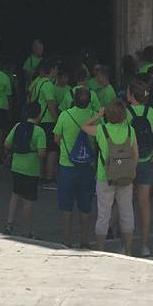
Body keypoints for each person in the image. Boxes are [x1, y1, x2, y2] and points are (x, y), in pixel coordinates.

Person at [82, 99, 138, 255]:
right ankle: (128, 250)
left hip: (104, 176)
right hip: (126, 177)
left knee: (103, 214)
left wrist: (98, 115)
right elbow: (136, 155)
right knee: (127, 212)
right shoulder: (130, 130)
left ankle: (100, 249)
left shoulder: (101, 129)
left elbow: (84, 127)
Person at [127, 76, 153, 256]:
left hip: (128, 161)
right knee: (144, 203)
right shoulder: (150, 111)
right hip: (146, 159)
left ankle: (125, 243)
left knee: (125, 202)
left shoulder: (126, 112)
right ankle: (145, 244)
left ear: (130, 94)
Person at [53, 86, 99, 248]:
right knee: (85, 205)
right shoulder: (94, 116)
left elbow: (56, 138)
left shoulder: (65, 116)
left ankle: (67, 239)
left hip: (67, 165)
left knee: (66, 205)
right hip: (87, 165)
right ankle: (85, 240)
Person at [2, 102, 47, 238]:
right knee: (28, 200)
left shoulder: (17, 126)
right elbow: (41, 153)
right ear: (39, 115)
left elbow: (7, 143)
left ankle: (9, 224)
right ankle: (27, 231)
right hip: (31, 169)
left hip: (16, 166)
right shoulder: (39, 131)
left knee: (15, 194)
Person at [29, 60, 59, 186]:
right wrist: (58, 121)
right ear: (51, 69)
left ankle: (40, 173)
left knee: (41, 148)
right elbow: (51, 106)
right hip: (48, 120)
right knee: (52, 149)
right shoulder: (48, 85)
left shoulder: (38, 82)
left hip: (38, 119)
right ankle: (49, 175)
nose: (57, 71)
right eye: (56, 69)